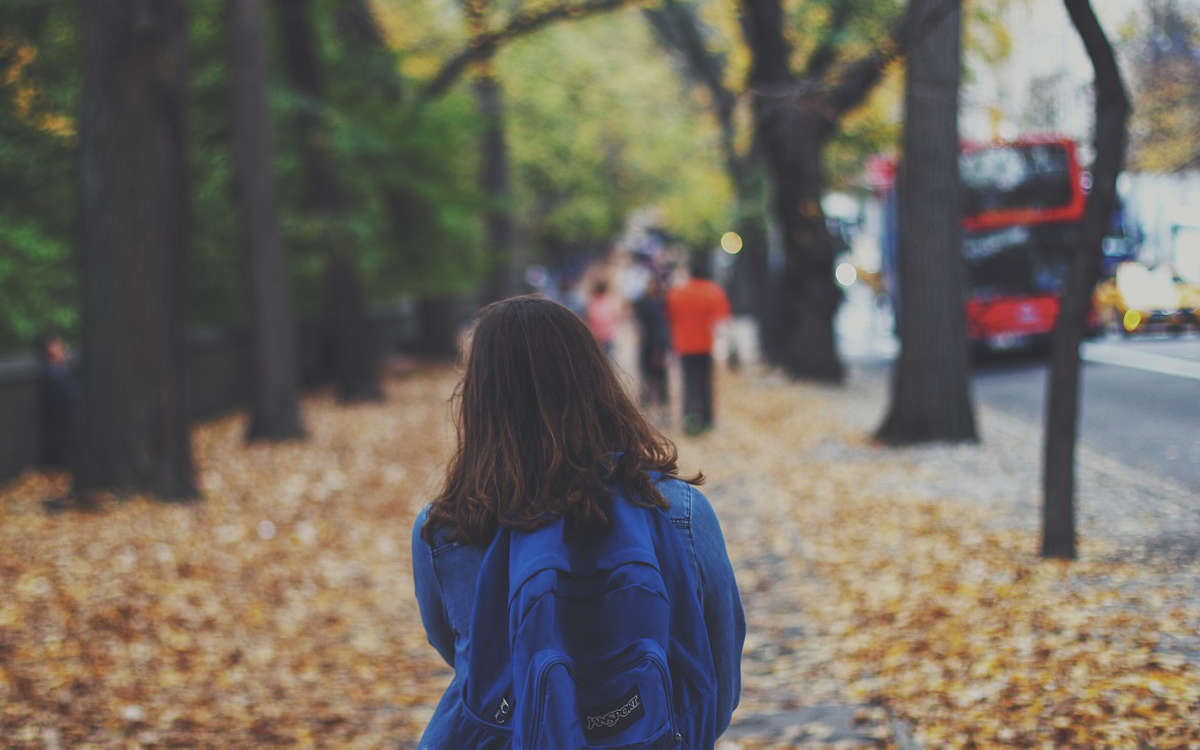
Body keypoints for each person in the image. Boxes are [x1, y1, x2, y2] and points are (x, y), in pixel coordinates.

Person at [412, 296, 744, 749]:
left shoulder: (446, 528)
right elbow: (718, 674)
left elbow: (466, 658)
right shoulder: (678, 511)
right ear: (597, 382)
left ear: (478, 401)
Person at [667, 254, 731, 435]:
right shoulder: (714, 292)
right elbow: (721, 321)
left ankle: (689, 419)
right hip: (706, 345)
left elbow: (671, 317)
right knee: (705, 383)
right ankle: (707, 419)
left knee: (689, 383)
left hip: (684, 345)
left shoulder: (678, 293)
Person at [633, 273, 671, 422]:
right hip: (649, 346)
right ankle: (653, 412)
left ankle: (659, 413)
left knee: (657, 380)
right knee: (651, 379)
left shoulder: (658, 304)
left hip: (655, 346)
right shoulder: (657, 304)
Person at [586, 278, 621, 355]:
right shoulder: (611, 302)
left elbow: (589, 319)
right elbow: (616, 317)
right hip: (605, 336)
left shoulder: (592, 303)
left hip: (598, 336)